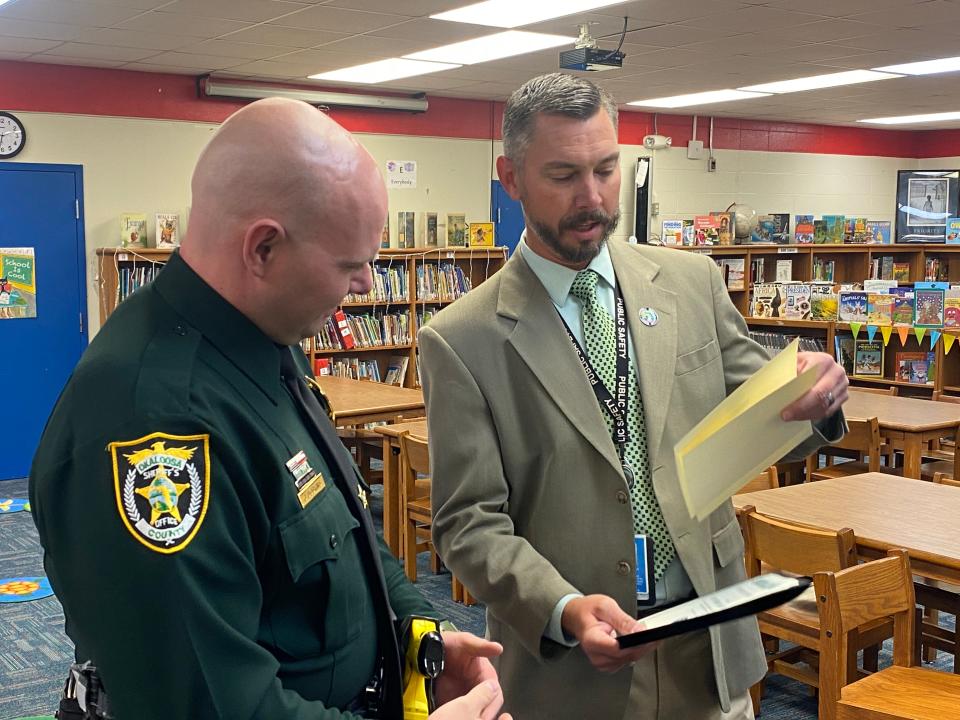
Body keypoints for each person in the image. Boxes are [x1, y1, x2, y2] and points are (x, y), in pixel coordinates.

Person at [30, 98, 509, 720]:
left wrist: (418, 636)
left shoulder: (267, 349)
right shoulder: (155, 422)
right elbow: (205, 704)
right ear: (262, 249)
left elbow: (347, 528)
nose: (366, 284)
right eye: (350, 263)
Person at [417, 73, 848, 720]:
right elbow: (468, 523)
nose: (592, 197)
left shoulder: (691, 283)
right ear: (510, 177)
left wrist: (813, 395)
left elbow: (761, 408)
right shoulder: (461, 340)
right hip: (575, 668)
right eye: (563, 175)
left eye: (607, 169)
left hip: (707, 648)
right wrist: (562, 609)